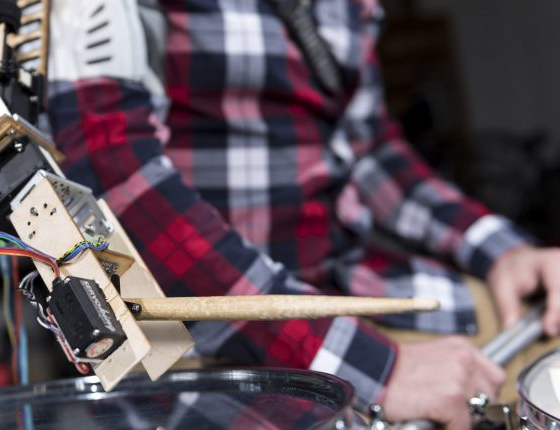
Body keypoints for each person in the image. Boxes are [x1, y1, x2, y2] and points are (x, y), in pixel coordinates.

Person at [43, 0, 560, 427]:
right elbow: (110, 173)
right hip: (205, 340)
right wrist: (380, 371)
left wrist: (503, 251)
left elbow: (371, 151)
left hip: (348, 292)